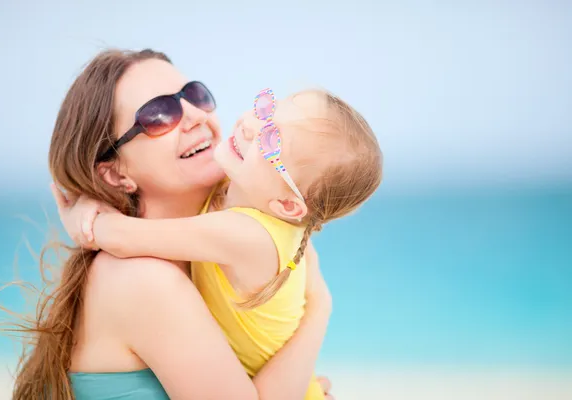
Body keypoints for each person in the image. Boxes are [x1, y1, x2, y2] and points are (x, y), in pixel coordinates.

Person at [12, 48, 334, 400]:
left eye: (195, 95)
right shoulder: (145, 278)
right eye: (159, 114)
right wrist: (319, 309)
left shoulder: (216, 261)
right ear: (116, 173)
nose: (196, 115)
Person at [56, 86, 382, 399]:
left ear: (287, 206)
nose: (252, 125)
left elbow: (125, 239)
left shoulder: (247, 235)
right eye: (268, 111)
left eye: (272, 140)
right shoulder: (259, 200)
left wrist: (81, 215)